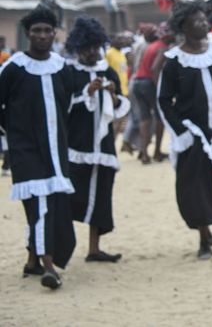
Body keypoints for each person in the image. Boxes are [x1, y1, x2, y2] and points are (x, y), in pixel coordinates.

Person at [156, 2, 212, 259]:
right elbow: (164, 101)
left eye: (205, 20)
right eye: (198, 21)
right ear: (184, 27)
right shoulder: (174, 62)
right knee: (196, 187)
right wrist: (181, 133)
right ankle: (204, 236)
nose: (205, 24)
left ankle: (210, 222)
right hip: (193, 136)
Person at [0, 6, 76, 289]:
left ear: (54, 33)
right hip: (26, 150)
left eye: (47, 30)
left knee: (49, 204)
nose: (42, 36)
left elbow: (67, 105)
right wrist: (13, 133)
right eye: (36, 31)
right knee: (41, 204)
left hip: (56, 150)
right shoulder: (14, 68)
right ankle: (48, 267)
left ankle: (32, 260)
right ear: (27, 34)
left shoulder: (61, 67)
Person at [64, 17, 130, 263]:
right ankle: (60, 247)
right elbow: (63, 106)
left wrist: (113, 96)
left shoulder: (107, 71)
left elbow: (120, 106)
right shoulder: (70, 73)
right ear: (78, 48)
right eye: (87, 47)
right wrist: (87, 93)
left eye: (96, 46)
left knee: (101, 195)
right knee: (71, 196)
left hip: (103, 146)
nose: (92, 52)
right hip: (76, 144)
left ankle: (94, 248)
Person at [130, 26, 172, 163]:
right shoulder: (163, 48)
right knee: (160, 118)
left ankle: (144, 154)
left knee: (145, 118)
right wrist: (161, 88)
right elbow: (155, 68)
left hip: (137, 82)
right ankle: (157, 152)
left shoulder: (152, 45)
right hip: (149, 83)